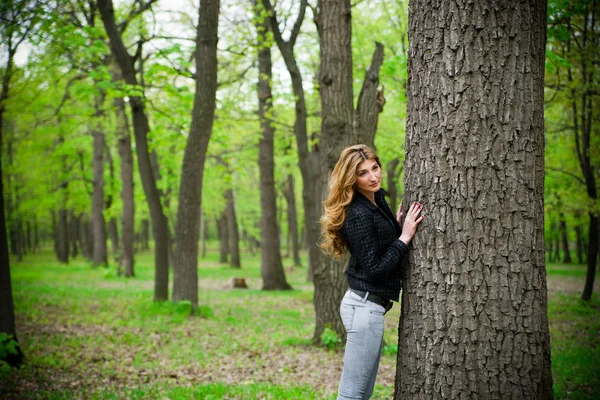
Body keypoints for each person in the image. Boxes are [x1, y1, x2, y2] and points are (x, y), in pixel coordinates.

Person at [320, 144, 424, 400]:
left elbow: (378, 242)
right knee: (352, 395)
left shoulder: (376, 199)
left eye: (374, 168)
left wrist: (396, 228)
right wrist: (405, 237)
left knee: (362, 393)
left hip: (369, 307)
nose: (373, 176)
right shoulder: (356, 213)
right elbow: (375, 268)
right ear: (351, 179)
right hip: (364, 308)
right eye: (363, 173)